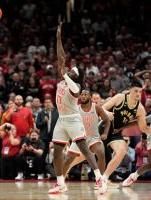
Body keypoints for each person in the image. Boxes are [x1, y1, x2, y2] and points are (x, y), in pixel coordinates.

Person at [49, 22, 107, 194]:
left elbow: (69, 80)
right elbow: (61, 58)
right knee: (57, 152)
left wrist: (65, 73)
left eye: (73, 71)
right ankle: (60, 183)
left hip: (74, 120)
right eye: (70, 70)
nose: (70, 71)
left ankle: (99, 179)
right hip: (62, 120)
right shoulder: (64, 80)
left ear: (77, 76)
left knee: (84, 149)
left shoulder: (77, 88)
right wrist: (58, 38)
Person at [102, 80, 151, 187]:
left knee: (122, 150)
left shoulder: (140, 108)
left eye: (140, 91)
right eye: (136, 91)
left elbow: (142, 127)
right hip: (103, 127)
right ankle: (61, 178)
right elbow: (102, 108)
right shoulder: (120, 97)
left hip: (115, 131)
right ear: (130, 91)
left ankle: (104, 179)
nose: (138, 94)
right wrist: (106, 112)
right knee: (84, 155)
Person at [62, 89, 110, 187]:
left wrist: (105, 133)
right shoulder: (76, 108)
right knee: (67, 160)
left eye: (85, 94)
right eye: (81, 95)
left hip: (94, 137)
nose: (83, 96)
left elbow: (107, 120)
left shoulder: (96, 108)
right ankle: (60, 183)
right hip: (80, 138)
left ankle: (100, 180)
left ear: (90, 97)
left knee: (101, 152)